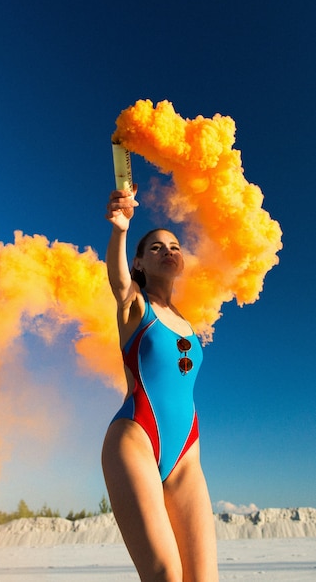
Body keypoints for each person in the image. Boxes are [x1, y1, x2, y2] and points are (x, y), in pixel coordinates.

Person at [102, 187, 219, 582]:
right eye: (155, 248)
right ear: (139, 262)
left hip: (187, 451)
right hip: (135, 437)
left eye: (174, 245)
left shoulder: (188, 321)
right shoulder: (136, 305)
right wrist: (121, 229)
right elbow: (118, 282)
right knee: (166, 574)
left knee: (203, 578)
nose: (167, 250)